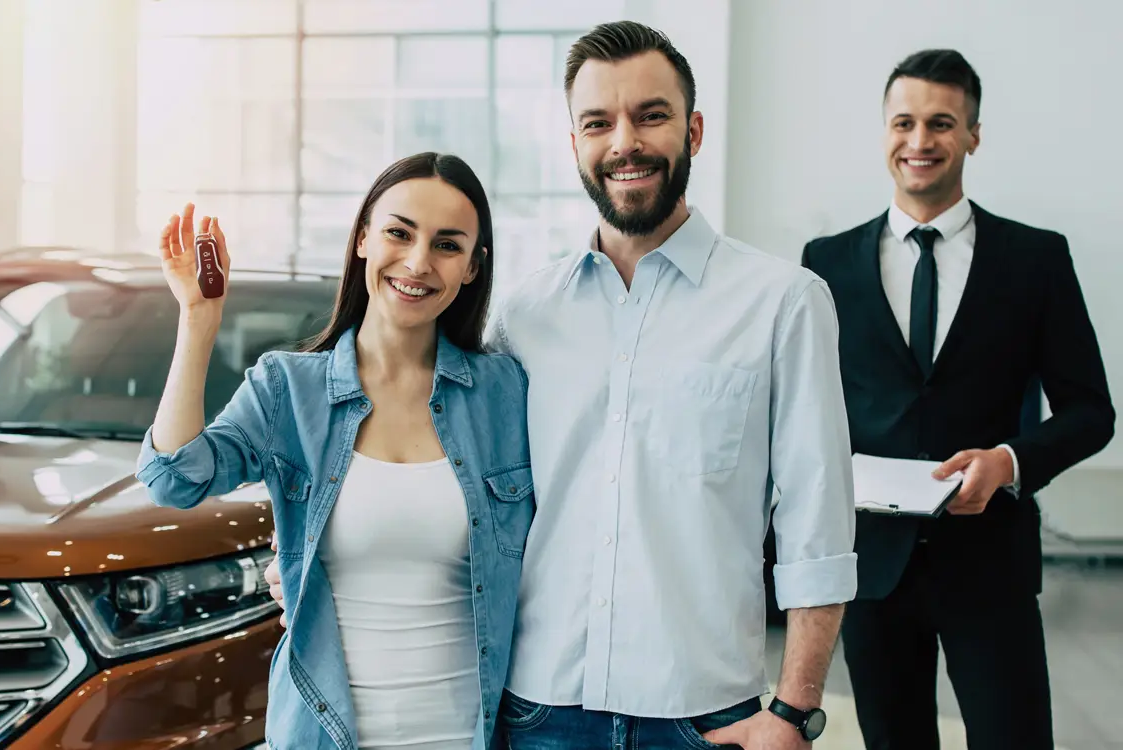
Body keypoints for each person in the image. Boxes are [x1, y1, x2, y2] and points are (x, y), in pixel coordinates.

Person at [270, 20, 857, 749]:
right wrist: (318, 550)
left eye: (651, 116)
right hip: (537, 712)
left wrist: (796, 711)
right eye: (598, 123)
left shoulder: (783, 303)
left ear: (694, 131)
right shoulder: (524, 314)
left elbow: (818, 525)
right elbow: (447, 477)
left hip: (704, 718)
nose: (624, 143)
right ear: (573, 143)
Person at [134, 152, 534, 750]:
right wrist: (197, 319)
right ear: (363, 239)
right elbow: (173, 477)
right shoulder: (288, 390)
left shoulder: (505, 393)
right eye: (399, 232)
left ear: (473, 268)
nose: (418, 262)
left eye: (448, 245)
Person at [800, 49, 1116, 750]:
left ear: (973, 133)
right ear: (884, 130)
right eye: (904, 122)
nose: (919, 142)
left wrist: (1008, 461)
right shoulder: (824, 263)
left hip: (990, 565)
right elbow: (806, 414)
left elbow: (1092, 412)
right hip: (873, 569)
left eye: (941, 123)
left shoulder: (1036, 259)